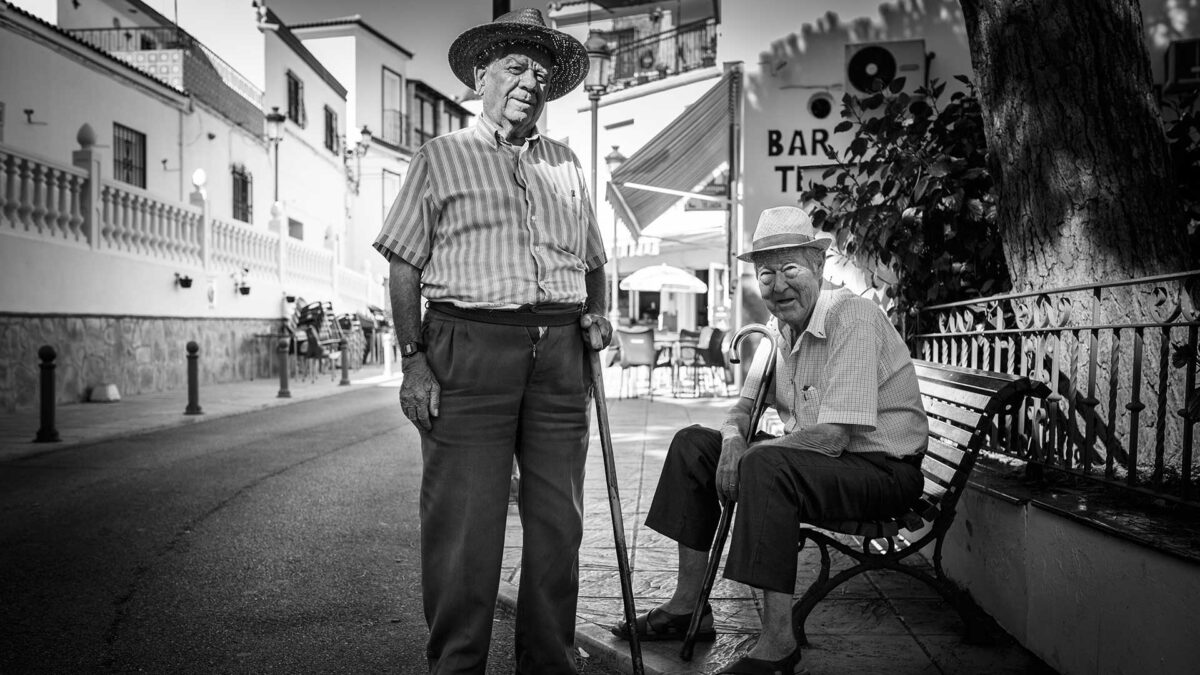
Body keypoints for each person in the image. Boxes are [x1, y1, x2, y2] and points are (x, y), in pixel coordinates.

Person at [372, 9, 611, 674]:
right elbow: (403, 262)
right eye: (514, 66)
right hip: (467, 344)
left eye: (539, 71)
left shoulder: (565, 164)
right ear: (482, 74)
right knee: (465, 528)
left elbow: (594, 261)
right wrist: (414, 359)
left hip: (561, 353)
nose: (528, 80)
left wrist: (598, 313)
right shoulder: (440, 156)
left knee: (559, 523)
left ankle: (549, 663)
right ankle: (457, 664)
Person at [611, 206, 928, 673]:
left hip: (883, 471)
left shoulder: (852, 316)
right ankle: (685, 610)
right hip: (827, 465)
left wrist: (752, 453)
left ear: (818, 267)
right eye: (766, 274)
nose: (778, 285)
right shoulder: (778, 331)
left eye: (790, 269)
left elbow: (834, 436)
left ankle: (779, 643)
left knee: (766, 464)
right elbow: (740, 411)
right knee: (693, 444)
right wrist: (734, 440)